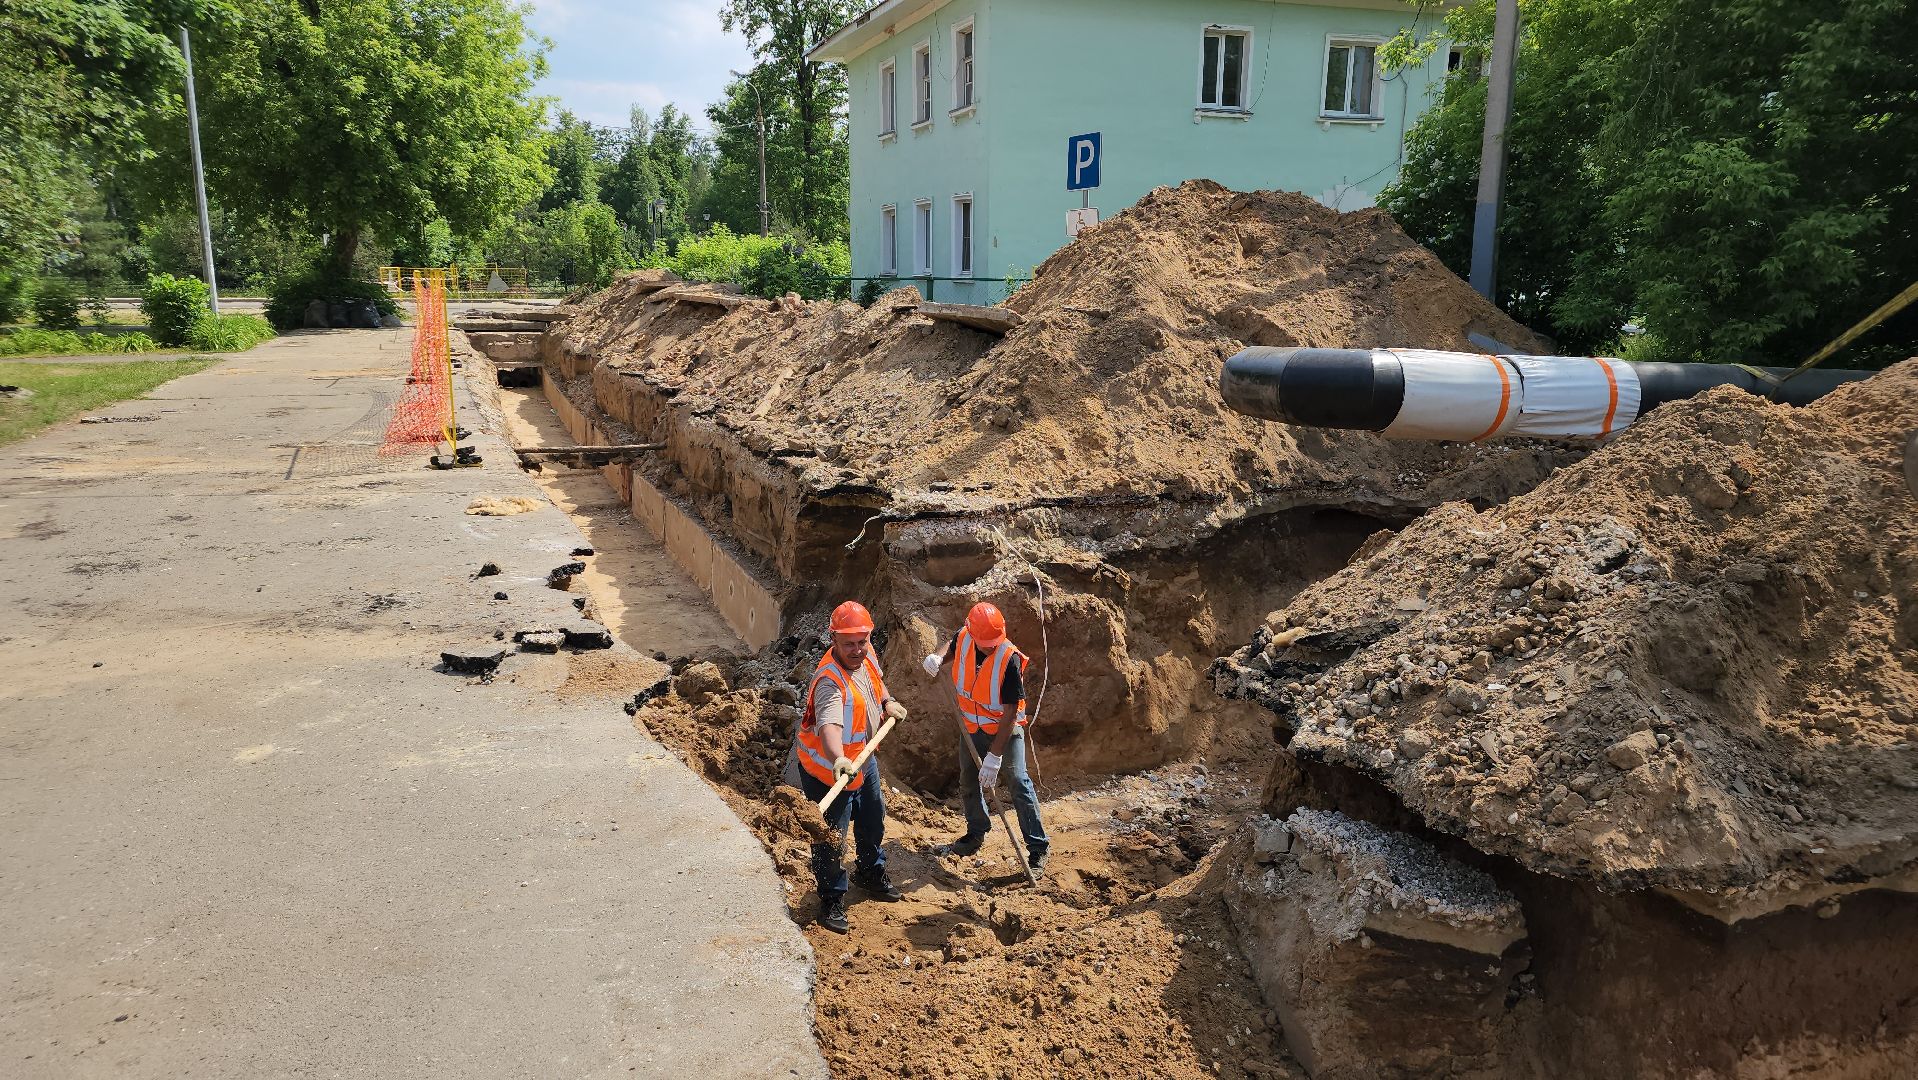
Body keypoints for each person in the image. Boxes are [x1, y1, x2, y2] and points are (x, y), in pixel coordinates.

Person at [793, 599, 908, 933]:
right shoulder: (830, 681)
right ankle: (830, 897)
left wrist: (887, 701)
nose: (857, 650)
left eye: (862, 641)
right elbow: (830, 727)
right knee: (831, 838)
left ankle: (870, 872)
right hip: (829, 770)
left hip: (863, 760)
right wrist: (838, 759)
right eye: (849, 644)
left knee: (873, 820)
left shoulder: (866, 653)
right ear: (833, 640)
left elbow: (875, 681)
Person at [922, 602, 1049, 874]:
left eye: (994, 642)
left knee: (1017, 780)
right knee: (968, 779)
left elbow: (1011, 710)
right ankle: (976, 832)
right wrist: (937, 657)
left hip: (1004, 729)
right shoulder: (967, 636)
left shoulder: (1008, 658)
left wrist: (995, 756)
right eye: (986, 642)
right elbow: (952, 644)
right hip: (970, 726)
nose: (990, 646)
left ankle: (1037, 847)